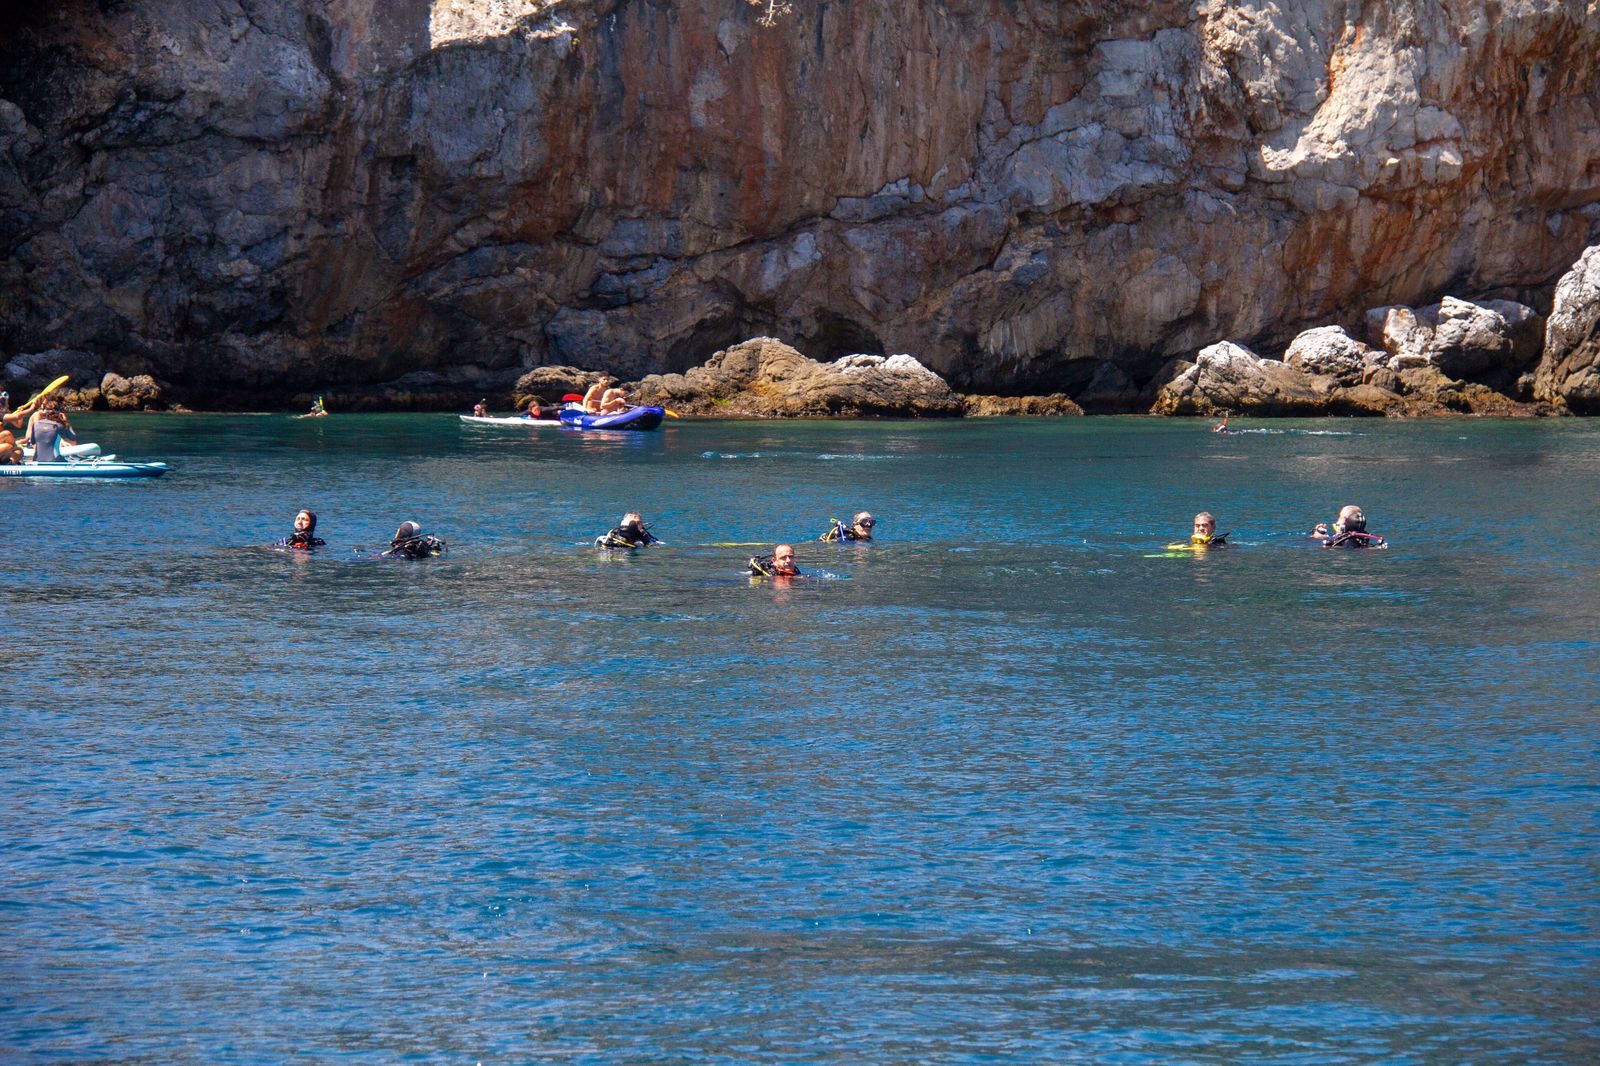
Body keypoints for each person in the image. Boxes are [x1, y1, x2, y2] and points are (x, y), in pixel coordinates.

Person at [1311, 504, 1387, 548]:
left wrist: (1316, 537)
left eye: (1339, 517)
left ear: (1345, 520)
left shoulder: (1343, 540)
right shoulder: (1366, 537)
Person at [595, 511, 661, 550]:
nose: (637, 526)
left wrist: (646, 541)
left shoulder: (645, 535)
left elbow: (658, 544)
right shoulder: (613, 534)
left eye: (639, 523)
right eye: (634, 523)